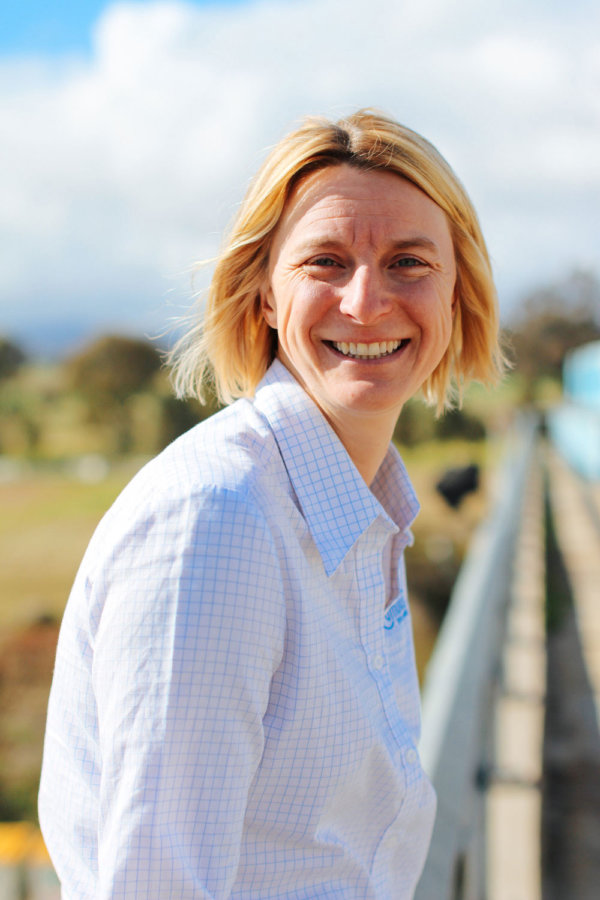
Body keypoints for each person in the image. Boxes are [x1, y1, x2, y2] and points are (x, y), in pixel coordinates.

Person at [39, 109, 504, 899]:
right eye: (325, 260)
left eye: (410, 262)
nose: (366, 301)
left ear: (457, 290)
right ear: (261, 295)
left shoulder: (359, 507)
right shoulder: (217, 524)